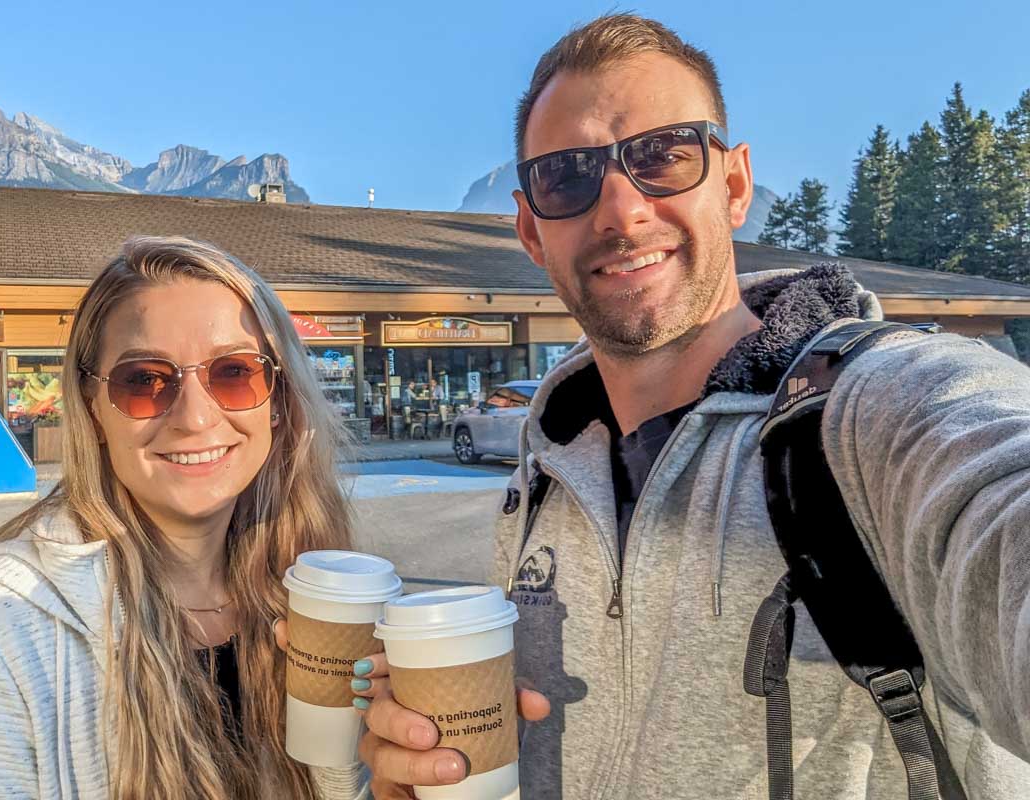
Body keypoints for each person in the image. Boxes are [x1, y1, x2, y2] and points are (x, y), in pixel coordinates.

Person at [352, 14, 1030, 799]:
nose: (621, 211)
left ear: (735, 186)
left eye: (664, 155)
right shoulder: (546, 468)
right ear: (532, 231)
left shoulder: (875, 411)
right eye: (567, 177)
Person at [0, 236, 368, 800]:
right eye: (143, 380)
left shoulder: (309, 585)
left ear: (279, 400)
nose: (194, 417)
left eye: (235, 372)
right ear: (92, 405)